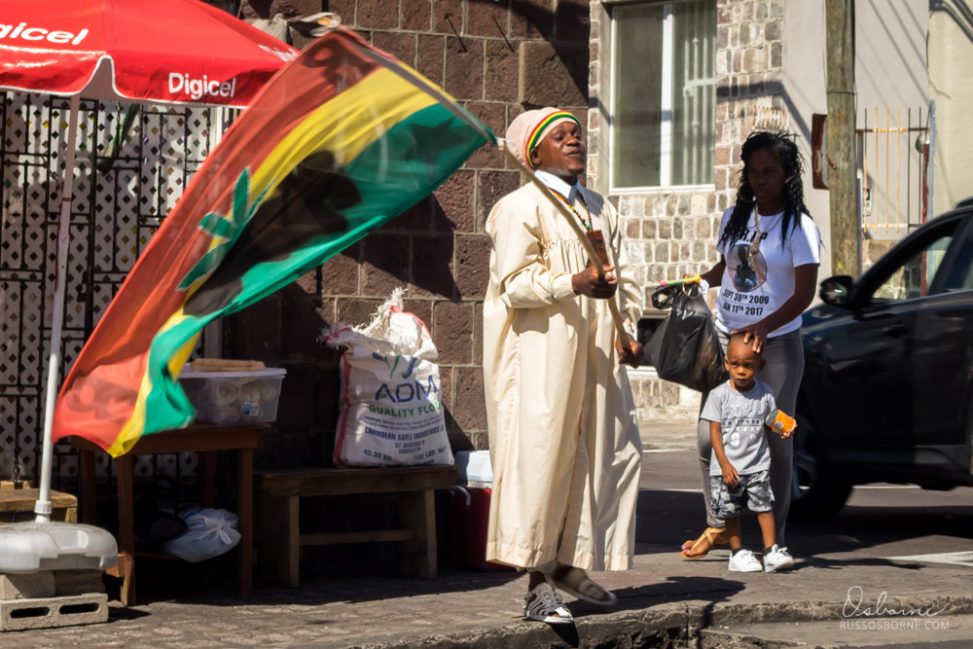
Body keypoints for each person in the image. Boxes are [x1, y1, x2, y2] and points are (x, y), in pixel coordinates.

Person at [483, 107, 643, 624]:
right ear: (535, 152)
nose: (575, 141)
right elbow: (512, 284)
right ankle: (535, 585)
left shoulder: (600, 208)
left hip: (596, 352)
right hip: (542, 353)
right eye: (561, 136)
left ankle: (569, 565)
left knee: (602, 453)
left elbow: (625, 275)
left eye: (577, 133)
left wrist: (628, 328)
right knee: (542, 457)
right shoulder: (519, 208)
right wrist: (570, 283)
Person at [681, 131, 821, 560]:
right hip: (727, 342)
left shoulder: (800, 227)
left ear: (787, 175)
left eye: (770, 172)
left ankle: (773, 540)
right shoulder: (734, 218)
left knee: (775, 439)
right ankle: (720, 525)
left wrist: (764, 324)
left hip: (776, 346)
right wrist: (698, 281)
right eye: (754, 172)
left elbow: (803, 294)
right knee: (710, 439)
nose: (761, 180)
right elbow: (728, 266)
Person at [702, 333, 795, 573]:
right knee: (731, 511)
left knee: (764, 506)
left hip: (757, 465)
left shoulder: (764, 393)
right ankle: (737, 553)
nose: (741, 371)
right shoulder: (719, 396)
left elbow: (770, 419)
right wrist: (724, 465)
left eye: (747, 365)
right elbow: (714, 433)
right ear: (726, 364)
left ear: (760, 365)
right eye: (735, 365)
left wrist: (782, 428)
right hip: (728, 467)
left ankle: (771, 550)